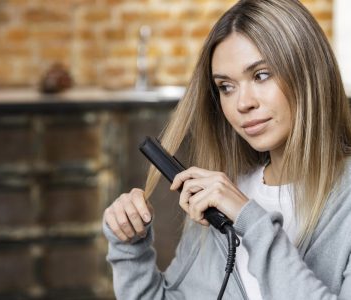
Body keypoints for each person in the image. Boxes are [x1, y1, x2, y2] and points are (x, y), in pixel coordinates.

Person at [102, 0, 351, 299]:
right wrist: (129, 247)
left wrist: (252, 221)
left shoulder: (342, 203)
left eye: (261, 75)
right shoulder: (218, 199)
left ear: (309, 73)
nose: (242, 103)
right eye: (226, 86)